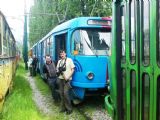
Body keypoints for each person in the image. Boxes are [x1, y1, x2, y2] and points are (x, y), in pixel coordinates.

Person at [56, 50, 75, 115]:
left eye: (63, 54)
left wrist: (68, 77)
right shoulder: (59, 61)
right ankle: (63, 108)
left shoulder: (69, 60)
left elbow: (73, 70)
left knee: (65, 93)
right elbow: (57, 70)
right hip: (60, 79)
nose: (62, 55)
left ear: (65, 54)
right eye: (61, 54)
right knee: (61, 93)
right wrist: (59, 71)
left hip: (67, 80)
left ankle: (69, 109)